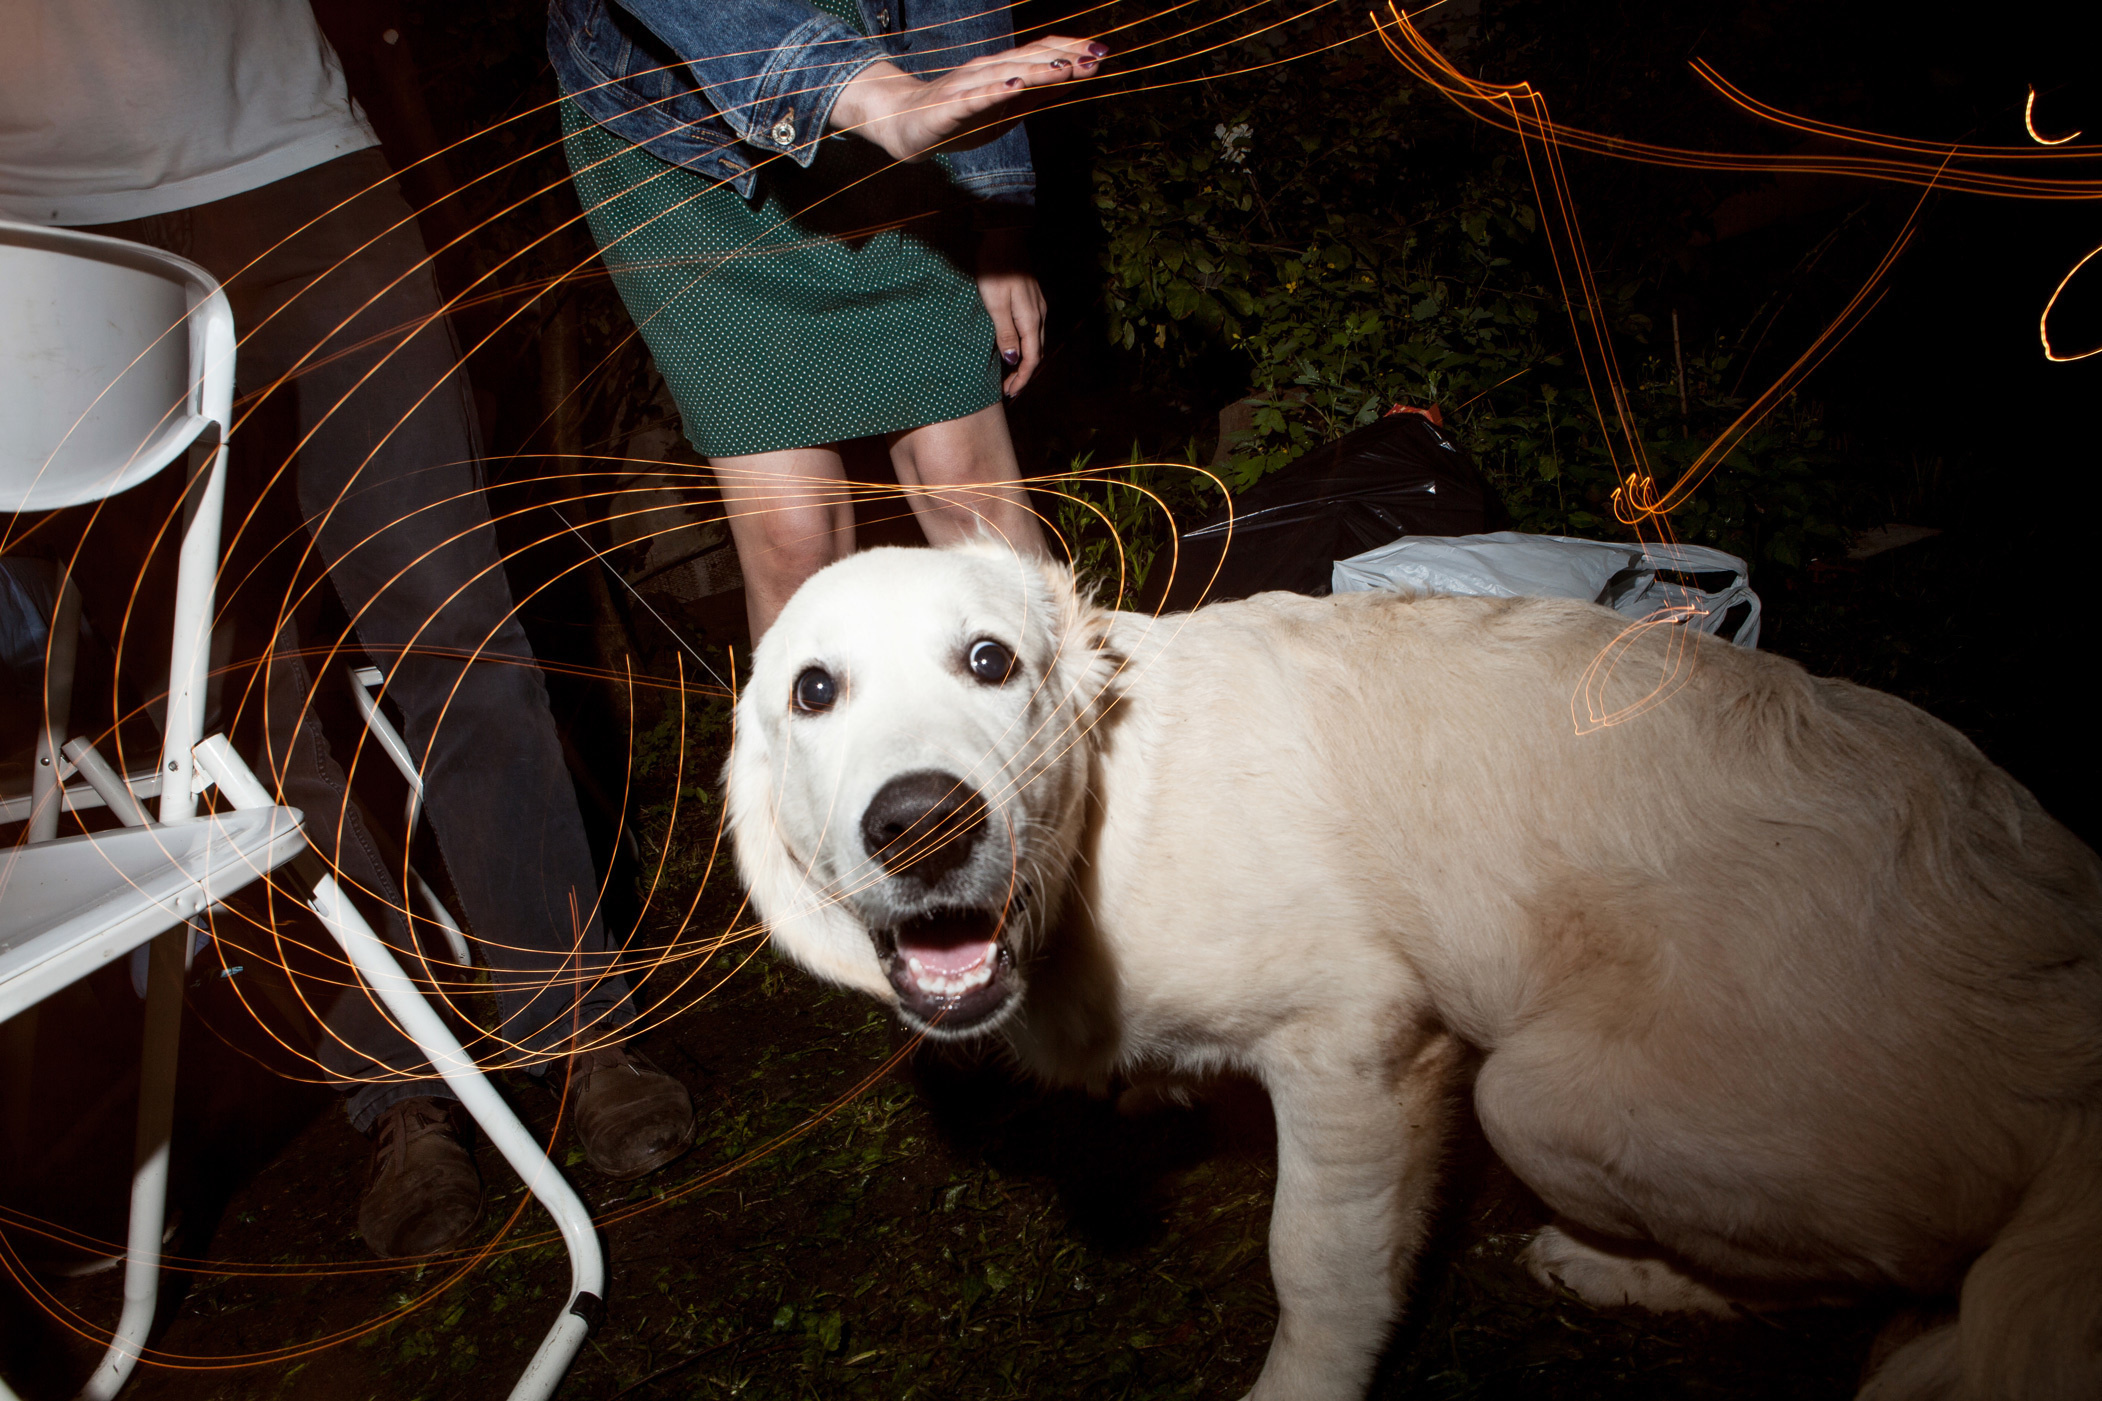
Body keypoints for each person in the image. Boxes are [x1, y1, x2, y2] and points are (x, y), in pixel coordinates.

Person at [0, 0, 695, 1259]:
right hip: (56, 247)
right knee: (230, 710)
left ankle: (583, 1030)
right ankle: (398, 1096)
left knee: (451, 621)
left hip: (299, 175)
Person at [549, 0, 1106, 638]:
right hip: (671, 123)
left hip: (881, 61)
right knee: (795, 546)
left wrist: (998, 209)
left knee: (970, 491)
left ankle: (1068, 733)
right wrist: (876, 97)